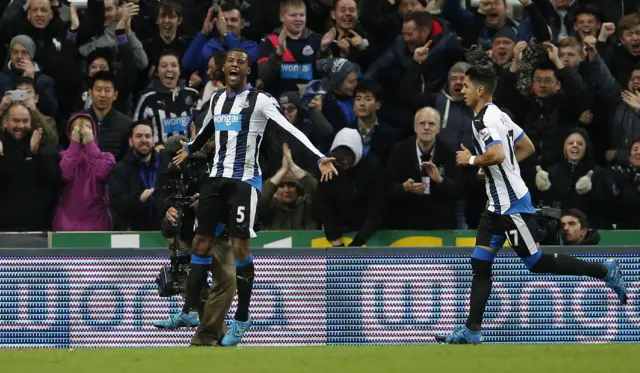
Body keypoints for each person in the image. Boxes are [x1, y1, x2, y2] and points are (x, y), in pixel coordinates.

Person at [435, 66, 629, 345]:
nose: (461, 91)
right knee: (480, 262)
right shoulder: (499, 114)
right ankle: (472, 330)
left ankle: (604, 270)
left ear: (480, 90)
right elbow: (525, 147)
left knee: (535, 262)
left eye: (465, 86)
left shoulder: (483, 121)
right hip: (495, 206)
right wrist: (492, 167)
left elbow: (499, 153)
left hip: (511, 205)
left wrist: (474, 161)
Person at [173, 48, 337, 346]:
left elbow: (290, 128)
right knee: (200, 242)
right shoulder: (217, 100)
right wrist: (189, 148)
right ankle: (188, 311)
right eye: (230, 62)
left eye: (241, 63)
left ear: (247, 71)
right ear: (223, 70)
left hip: (244, 182)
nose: (234, 65)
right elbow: (207, 129)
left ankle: (243, 317)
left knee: (239, 248)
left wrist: (319, 156)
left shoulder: (260, 101)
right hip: (215, 179)